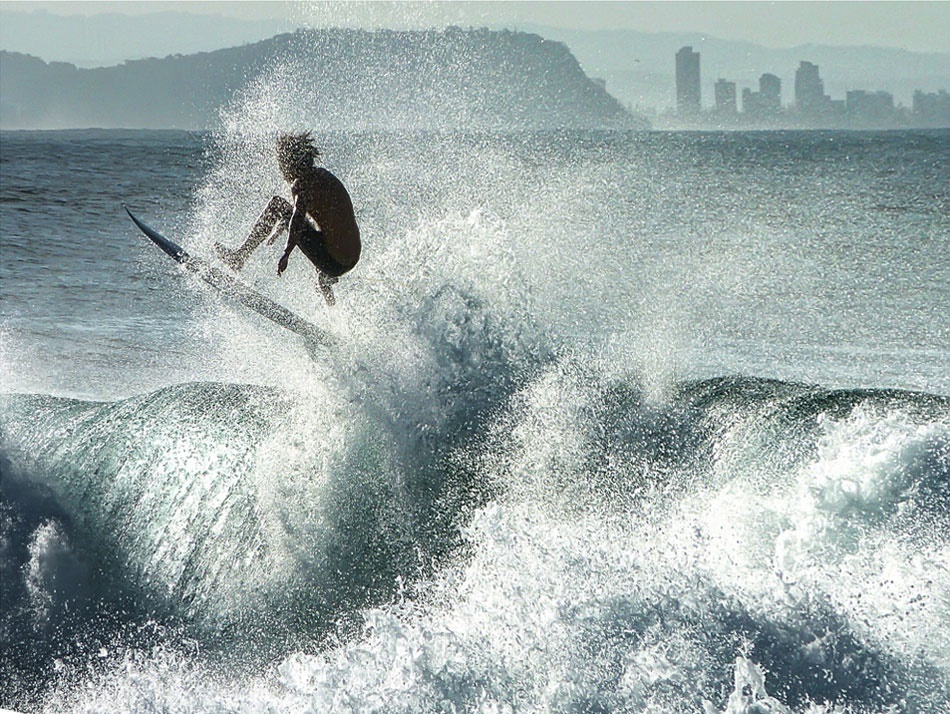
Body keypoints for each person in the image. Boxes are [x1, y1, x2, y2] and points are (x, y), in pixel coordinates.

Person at [215, 132, 361, 305]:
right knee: (305, 224)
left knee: (277, 204)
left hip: (333, 262)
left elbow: (298, 220)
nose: (281, 169)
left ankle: (239, 258)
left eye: (281, 163)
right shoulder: (322, 176)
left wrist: (286, 253)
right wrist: (284, 224)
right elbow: (321, 223)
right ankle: (325, 278)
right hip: (350, 256)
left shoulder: (302, 184)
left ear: (290, 163)